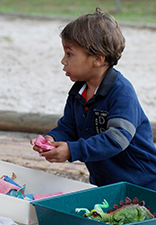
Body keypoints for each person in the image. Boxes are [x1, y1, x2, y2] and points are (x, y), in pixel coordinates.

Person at [30, 8, 156, 190]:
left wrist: (73, 151)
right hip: (107, 184)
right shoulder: (77, 92)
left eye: (69, 54)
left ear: (97, 59)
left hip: (143, 184)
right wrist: (52, 138)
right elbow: (69, 127)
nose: (63, 61)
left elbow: (117, 138)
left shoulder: (122, 92)